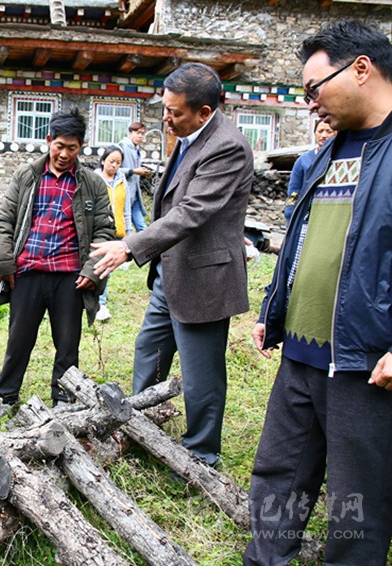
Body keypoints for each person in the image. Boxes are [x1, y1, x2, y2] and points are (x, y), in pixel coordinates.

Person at [244, 20, 392, 564]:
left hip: (365, 366)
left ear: (361, 69)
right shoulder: (324, 157)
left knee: (357, 505)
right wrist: (275, 306)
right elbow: (304, 241)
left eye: (313, 89)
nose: (309, 104)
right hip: (301, 356)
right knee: (277, 480)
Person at [90, 63, 254, 467]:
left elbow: (192, 211)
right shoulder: (187, 135)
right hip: (171, 270)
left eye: (175, 112)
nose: (166, 118)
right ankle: (139, 429)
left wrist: (130, 246)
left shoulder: (227, 147)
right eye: (165, 108)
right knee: (150, 350)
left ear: (204, 111)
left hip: (204, 276)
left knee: (201, 375)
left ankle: (200, 455)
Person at [0, 107, 113, 422]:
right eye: (59, 146)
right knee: (18, 340)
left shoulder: (92, 184)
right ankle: (5, 397)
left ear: (81, 146)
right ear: (49, 140)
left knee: (67, 342)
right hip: (27, 272)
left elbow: (104, 231)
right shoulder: (27, 176)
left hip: (69, 276)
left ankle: (64, 398)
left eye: (72, 148)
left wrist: (91, 271)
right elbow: (4, 221)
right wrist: (5, 263)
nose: (64, 154)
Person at [95, 145, 127, 322]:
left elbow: (126, 207)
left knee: (108, 269)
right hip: (100, 230)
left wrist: (128, 231)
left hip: (117, 230)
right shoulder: (94, 179)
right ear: (102, 161)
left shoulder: (122, 180)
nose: (114, 165)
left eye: (118, 163)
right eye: (111, 161)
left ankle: (101, 302)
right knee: (99, 265)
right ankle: (97, 301)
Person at [284, 119, 335, 222]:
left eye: (328, 131)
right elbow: (294, 192)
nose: (324, 135)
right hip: (306, 216)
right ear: (314, 133)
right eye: (320, 131)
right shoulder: (303, 161)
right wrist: (290, 216)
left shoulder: (338, 160)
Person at [119, 122, 152, 233]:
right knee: (126, 229)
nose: (140, 136)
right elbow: (114, 170)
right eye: (137, 133)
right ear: (130, 133)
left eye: (142, 134)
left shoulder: (136, 150)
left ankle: (146, 244)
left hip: (135, 194)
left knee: (142, 228)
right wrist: (133, 171)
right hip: (123, 194)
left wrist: (144, 174)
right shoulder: (121, 148)